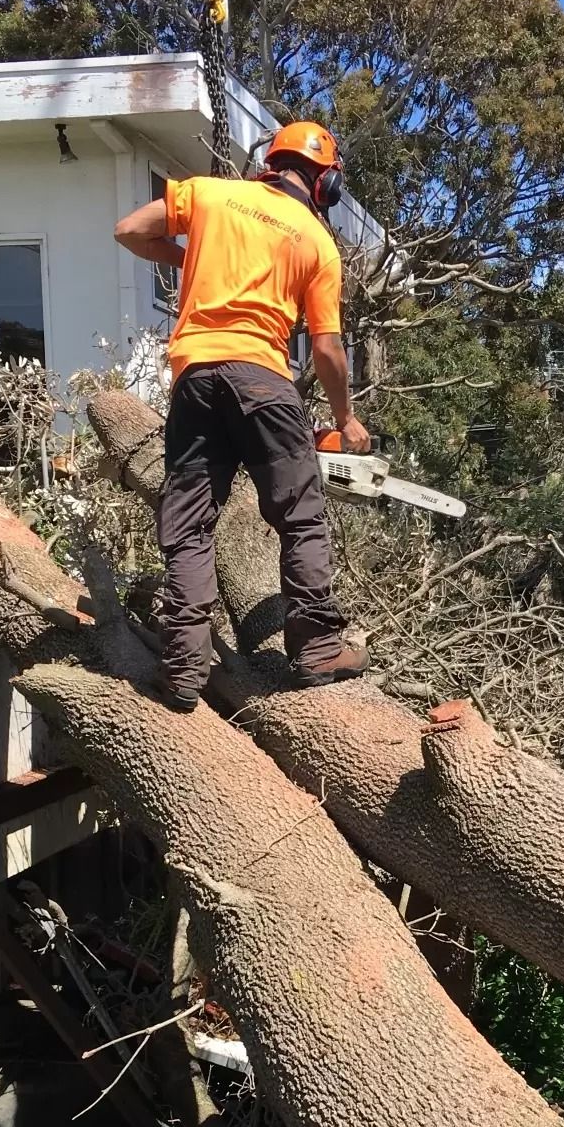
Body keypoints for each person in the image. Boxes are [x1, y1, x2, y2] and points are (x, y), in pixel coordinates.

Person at [114, 122, 372, 711]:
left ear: (271, 162)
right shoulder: (317, 242)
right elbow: (328, 349)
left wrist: (188, 258)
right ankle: (316, 650)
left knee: (190, 523)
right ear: (326, 183)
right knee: (299, 518)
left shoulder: (210, 193)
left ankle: (182, 668)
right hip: (264, 380)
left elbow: (128, 229)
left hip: (196, 377)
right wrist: (346, 419)